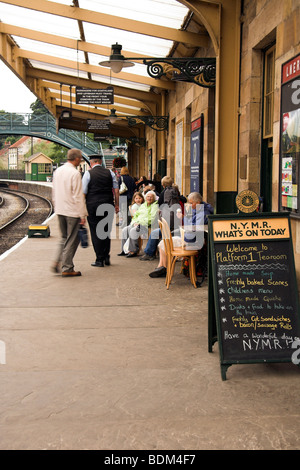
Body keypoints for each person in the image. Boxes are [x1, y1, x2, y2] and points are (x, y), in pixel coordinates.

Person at [149, 192, 213, 278]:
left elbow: (192, 227)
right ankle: (162, 267)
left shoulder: (203, 212)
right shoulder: (194, 208)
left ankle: (163, 268)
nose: (189, 205)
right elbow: (188, 224)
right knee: (163, 243)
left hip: (192, 240)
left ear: (198, 202)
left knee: (163, 243)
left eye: (191, 203)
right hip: (188, 235)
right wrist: (183, 217)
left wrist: (184, 218)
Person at [51, 148, 87, 277]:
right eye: (80, 159)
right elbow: (78, 196)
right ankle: (67, 267)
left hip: (60, 210)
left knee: (64, 238)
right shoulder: (75, 173)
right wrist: (82, 215)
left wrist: (56, 207)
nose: (80, 161)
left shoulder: (58, 171)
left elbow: (54, 191)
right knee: (72, 239)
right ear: (76, 159)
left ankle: (57, 261)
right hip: (72, 211)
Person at [82, 154, 119, 267]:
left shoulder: (88, 173)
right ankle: (106, 256)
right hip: (108, 204)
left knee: (95, 232)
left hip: (93, 206)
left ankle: (99, 259)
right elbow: (116, 190)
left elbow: (83, 192)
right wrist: (116, 204)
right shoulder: (110, 173)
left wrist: (81, 208)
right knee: (106, 231)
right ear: (100, 162)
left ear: (91, 162)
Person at [119, 190, 159, 258]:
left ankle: (133, 250)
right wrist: (134, 223)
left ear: (154, 198)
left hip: (146, 225)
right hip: (137, 224)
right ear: (145, 198)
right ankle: (124, 250)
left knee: (133, 231)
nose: (149, 198)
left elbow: (151, 219)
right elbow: (136, 215)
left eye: (151, 197)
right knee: (125, 230)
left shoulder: (154, 206)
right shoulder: (143, 205)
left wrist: (140, 223)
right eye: (148, 196)